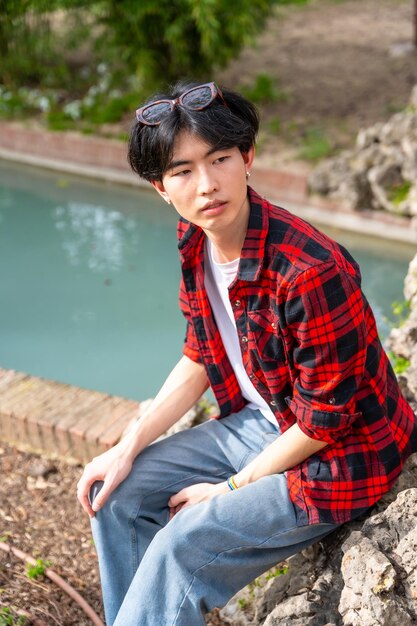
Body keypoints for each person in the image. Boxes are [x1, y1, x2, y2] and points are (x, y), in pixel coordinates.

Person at [76, 81, 417, 626]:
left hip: (339, 455)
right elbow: (199, 354)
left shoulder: (310, 271)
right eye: (183, 171)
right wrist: (127, 446)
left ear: (248, 158)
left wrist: (230, 489)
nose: (207, 184)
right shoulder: (196, 242)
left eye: (221, 159)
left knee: (182, 543)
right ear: (161, 189)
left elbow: (326, 421)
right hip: (262, 423)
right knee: (115, 496)